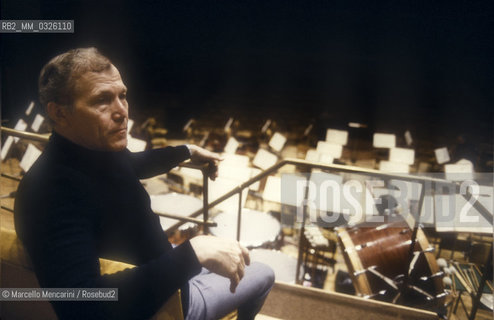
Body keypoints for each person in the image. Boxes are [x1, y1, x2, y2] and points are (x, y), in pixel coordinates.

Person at [14, 47, 274, 320]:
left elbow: (134, 163)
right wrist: (192, 254)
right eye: (102, 100)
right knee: (263, 272)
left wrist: (185, 151)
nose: (122, 112)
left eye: (122, 96)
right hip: (167, 302)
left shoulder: (93, 154)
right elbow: (82, 306)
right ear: (59, 113)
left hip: (158, 268)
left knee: (235, 256)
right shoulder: (50, 192)